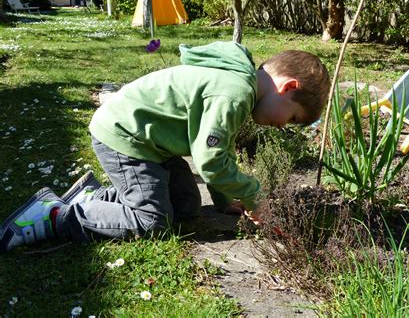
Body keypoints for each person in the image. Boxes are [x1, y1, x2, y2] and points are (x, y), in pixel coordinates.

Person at [0, 41, 330, 252]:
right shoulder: (235, 92)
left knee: (186, 205)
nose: (282, 125)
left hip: (151, 143)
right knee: (152, 221)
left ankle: (92, 198)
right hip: (128, 139)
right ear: (288, 87)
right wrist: (254, 194)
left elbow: (220, 146)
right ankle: (57, 215)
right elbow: (210, 160)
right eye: (292, 117)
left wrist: (225, 198)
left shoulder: (239, 82)